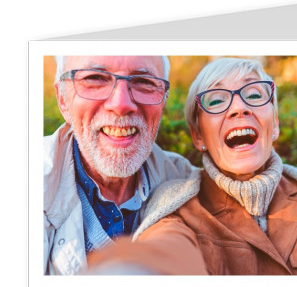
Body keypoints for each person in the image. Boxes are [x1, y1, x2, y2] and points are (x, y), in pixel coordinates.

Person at [87, 57, 297, 275]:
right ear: (198, 136)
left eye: (254, 95)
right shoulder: (176, 208)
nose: (239, 108)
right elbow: (165, 250)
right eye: (216, 100)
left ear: (274, 123)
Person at [44, 55, 199, 275]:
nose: (121, 105)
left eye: (144, 82)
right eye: (95, 78)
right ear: (62, 99)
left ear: (163, 100)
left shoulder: (187, 183)